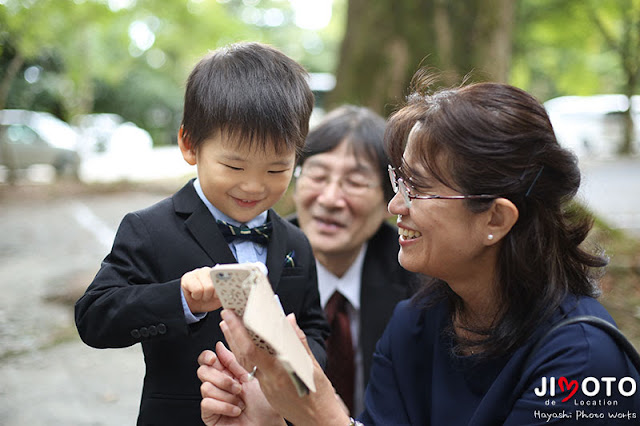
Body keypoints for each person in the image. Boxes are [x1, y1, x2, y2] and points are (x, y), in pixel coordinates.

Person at [196, 70, 640, 425]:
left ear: (495, 219)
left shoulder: (584, 365)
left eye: (419, 189)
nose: (395, 206)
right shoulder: (415, 324)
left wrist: (320, 413)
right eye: (399, 182)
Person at [74, 41, 329, 426]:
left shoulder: (295, 242)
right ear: (189, 144)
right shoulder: (149, 229)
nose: (254, 187)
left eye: (277, 170)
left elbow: (314, 329)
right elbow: (94, 316)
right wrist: (181, 299)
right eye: (234, 166)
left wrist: (291, 370)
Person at [291, 105, 421, 414]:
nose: (330, 199)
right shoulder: (261, 262)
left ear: (389, 199)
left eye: (355, 182)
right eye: (318, 176)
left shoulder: (417, 275)